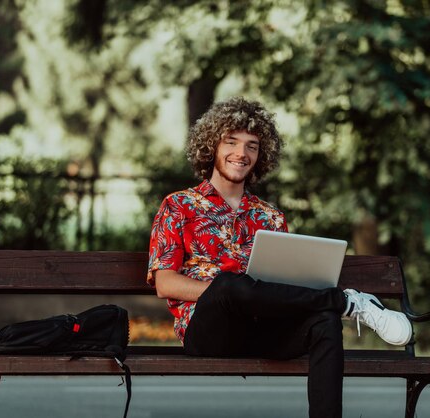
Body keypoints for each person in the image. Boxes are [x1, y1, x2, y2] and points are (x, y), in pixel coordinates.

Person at [147, 97, 412, 418]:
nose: (241, 153)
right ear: (211, 147)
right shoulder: (179, 205)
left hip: (265, 328)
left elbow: (285, 286)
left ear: (261, 156)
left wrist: (259, 295)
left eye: (252, 146)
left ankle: (335, 316)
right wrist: (231, 294)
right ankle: (345, 303)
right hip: (208, 332)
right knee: (231, 285)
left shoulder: (270, 217)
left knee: (324, 322)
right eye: (231, 142)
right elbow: (164, 283)